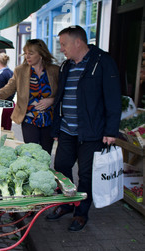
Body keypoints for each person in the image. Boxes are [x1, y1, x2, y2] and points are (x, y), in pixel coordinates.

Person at [46, 25, 122, 232]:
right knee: (61, 167)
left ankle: (81, 213)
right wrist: (56, 130)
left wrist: (111, 131)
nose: (62, 49)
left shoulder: (103, 62)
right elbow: (61, 98)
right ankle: (65, 204)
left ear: (78, 42)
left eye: (64, 44)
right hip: (66, 130)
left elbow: (113, 98)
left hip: (92, 131)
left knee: (86, 175)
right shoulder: (65, 66)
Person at [0, 39, 59, 155]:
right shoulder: (20, 71)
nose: (27, 56)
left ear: (41, 54)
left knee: (46, 154)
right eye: (26, 53)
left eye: (31, 53)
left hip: (50, 120)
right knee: (31, 154)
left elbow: (62, 93)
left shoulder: (54, 70)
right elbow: (6, 90)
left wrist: (51, 100)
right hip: (29, 119)